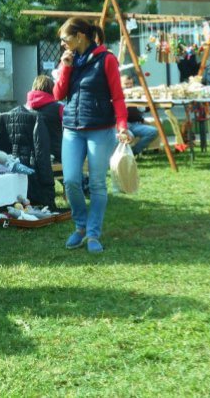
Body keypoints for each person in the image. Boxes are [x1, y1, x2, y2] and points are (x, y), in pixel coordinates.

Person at [53, 18, 132, 254]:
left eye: (65, 39)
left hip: (100, 129)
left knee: (97, 183)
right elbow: (58, 94)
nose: (63, 44)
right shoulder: (70, 60)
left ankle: (93, 233)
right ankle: (80, 226)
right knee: (70, 181)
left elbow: (117, 97)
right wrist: (65, 67)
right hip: (72, 130)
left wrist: (122, 125)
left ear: (80, 36)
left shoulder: (106, 59)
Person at [0, 102, 55, 209]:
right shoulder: (36, 118)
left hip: (6, 173)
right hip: (32, 177)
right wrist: (48, 190)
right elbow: (41, 153)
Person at [25, 75, 63, 162]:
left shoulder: (25, 109)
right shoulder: (59, 108)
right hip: (56, 155)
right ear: (52, 89)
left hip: (32, 157)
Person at [120, 75, 158, 155]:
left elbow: (143, 109)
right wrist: (142, 120)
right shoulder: (119, 95)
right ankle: (124, 154)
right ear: (120, 84)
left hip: (135, 125)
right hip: (122, 125)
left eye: (131, 84)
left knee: (153, 131)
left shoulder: (134, 93)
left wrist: (149, 104)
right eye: (126, 84)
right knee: (126, 136)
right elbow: (130, 113)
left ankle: (134, 152)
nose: (129, 86)